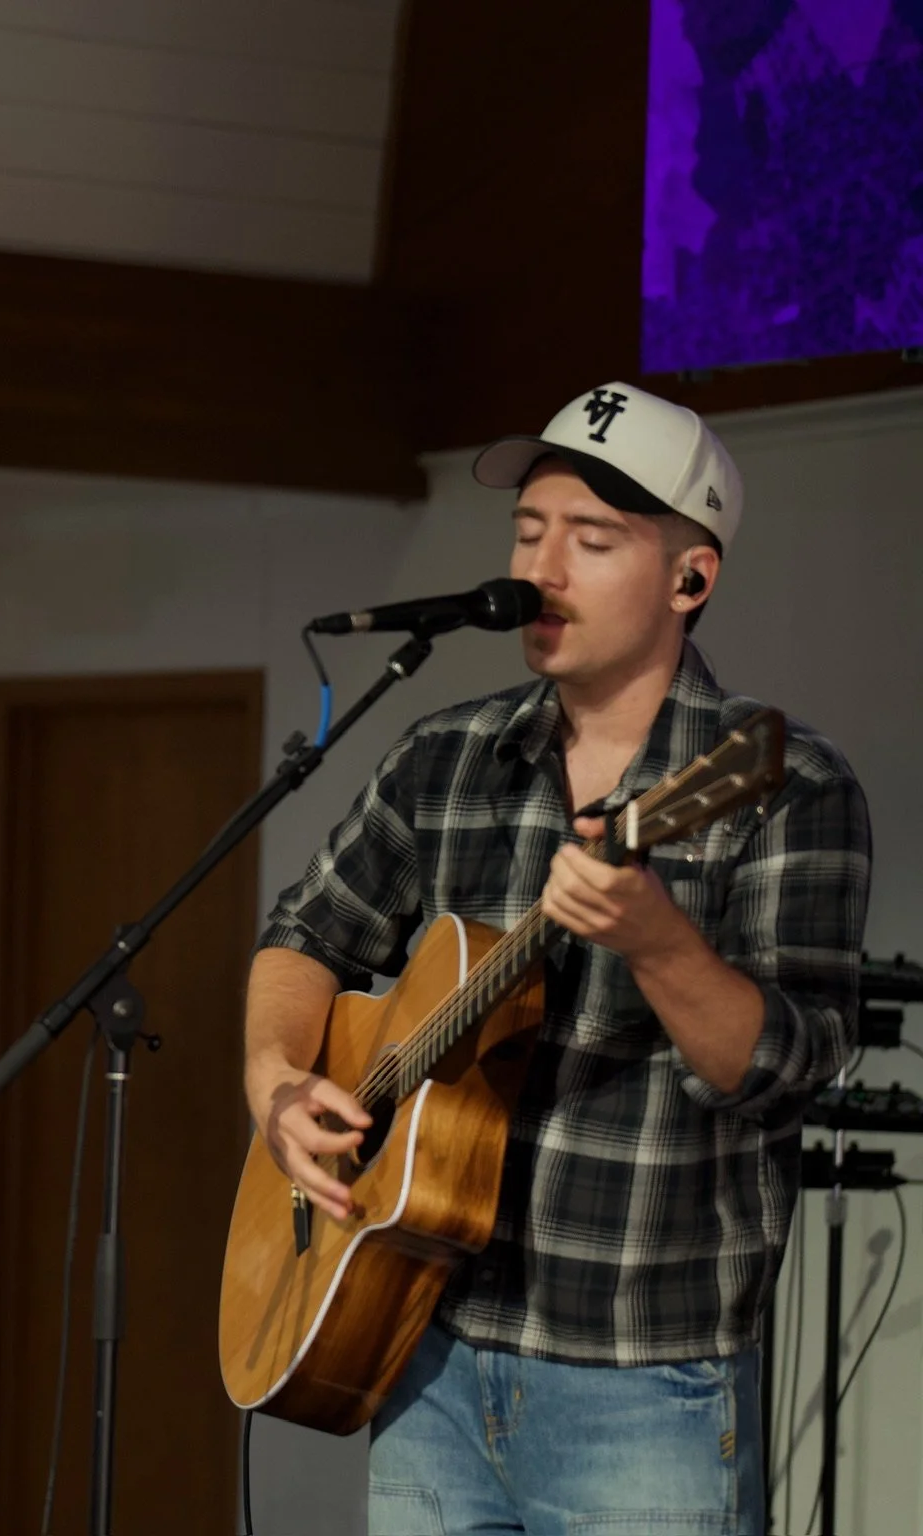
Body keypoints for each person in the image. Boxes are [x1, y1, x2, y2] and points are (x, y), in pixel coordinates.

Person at [244, 383, 871, 1533]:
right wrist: (279, 1085)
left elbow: (784, 1070)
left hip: (643, 1387)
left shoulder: (781, 785)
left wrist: (658, 941)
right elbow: (302, 937)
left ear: (692, 578)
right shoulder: (445, 758)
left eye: (592, 540)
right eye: (530, 533)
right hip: (421, 1351)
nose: (543, 569)